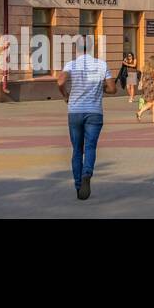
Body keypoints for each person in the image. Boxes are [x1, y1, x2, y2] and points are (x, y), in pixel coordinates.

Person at [56, 46, 117, 200]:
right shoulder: (101, 65)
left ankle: (78, 186)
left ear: (76, 51)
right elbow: (112, 89)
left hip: (75, 111)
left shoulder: (71, 65)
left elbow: (60, 81)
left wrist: (65, 95)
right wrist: (101, 88)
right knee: (90, 146)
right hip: (94, 112)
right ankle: (87, 173)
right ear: (93, 51)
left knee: (77, 149)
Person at [136, 55, 154, 123]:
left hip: (146, 87)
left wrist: (142, 86)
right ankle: (140, 112)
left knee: (152, 102)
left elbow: (142, 78)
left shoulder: (144, 69)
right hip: (152, 87)